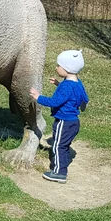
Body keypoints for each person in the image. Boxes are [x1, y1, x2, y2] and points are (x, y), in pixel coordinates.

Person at [29, 49, 89, 183]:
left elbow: (54, 102)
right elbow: (84, 99)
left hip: (64, 122)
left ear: (67, 69)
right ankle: (63, 162)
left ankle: (59, 173)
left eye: (59, 66)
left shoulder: (66, 86)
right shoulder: (77, 83)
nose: (56, 68)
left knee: (57, 146)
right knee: (64, 145)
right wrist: (58, 84)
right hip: (74, 122)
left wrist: (38, 97)